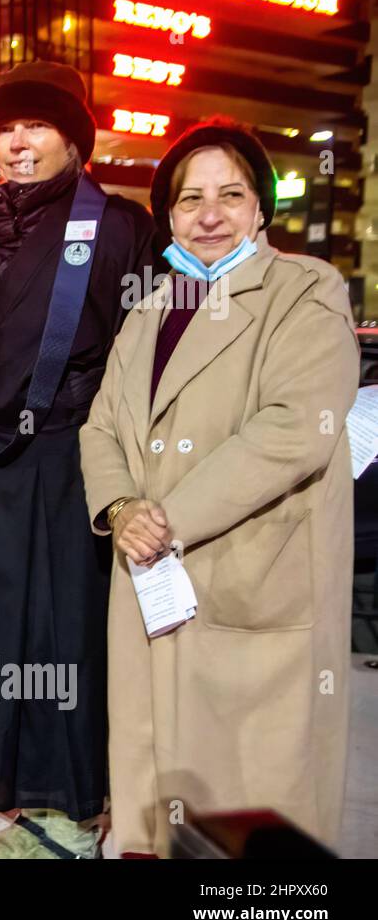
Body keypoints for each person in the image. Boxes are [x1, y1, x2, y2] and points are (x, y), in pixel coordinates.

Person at [80, 117, 357, 856]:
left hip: (250, 577)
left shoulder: (306, 290)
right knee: (158, 779)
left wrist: (166, 516)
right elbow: (100, 427)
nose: (208, 215)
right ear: (167, 214)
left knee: (249, 799)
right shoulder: (149, 308)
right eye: (189, 199)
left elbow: (295, 428)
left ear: (260, 209)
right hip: (153, 570)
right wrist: (121, 505)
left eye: (230, 195)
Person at [0, 61, 161, 858]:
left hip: (68, 464)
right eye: (6, 128)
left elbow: (149, 353)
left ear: (74, 140)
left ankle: (74, 802)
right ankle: (22, 791)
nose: (18, 142)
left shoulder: (121, 225)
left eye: (38, 126)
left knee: (65, 635)